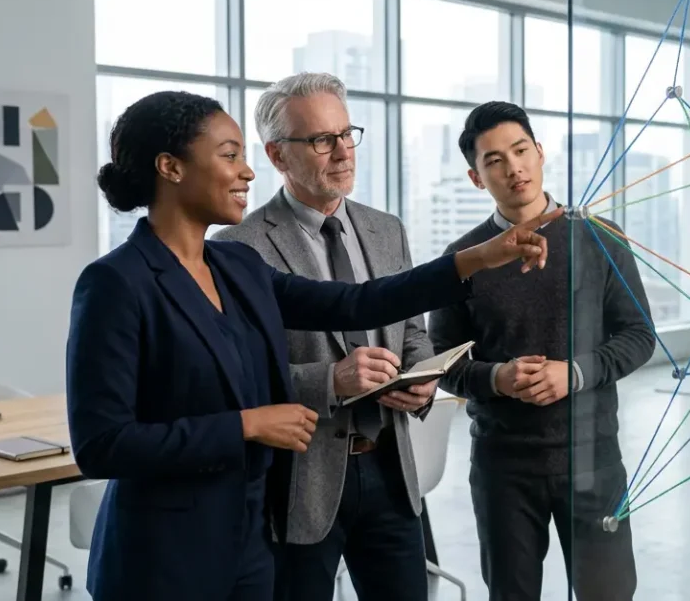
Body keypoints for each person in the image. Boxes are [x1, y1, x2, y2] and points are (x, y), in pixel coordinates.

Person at [66, 90, 562, 601]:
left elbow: (357, 303)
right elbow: (101, 446)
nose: (248, 172)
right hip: (164, 557)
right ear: (170, 167)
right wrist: (250, 424)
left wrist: (477, 258)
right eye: (230, 155)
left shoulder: (237, 269)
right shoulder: (115, 283)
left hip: (248, 546)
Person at [212, 72, 437, 601]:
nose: (342, 152)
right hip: (300, 482)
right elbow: (236, 378)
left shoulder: (388, 229)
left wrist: (421, 379)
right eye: (320, 140)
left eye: (346, 134)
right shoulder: (237, 247)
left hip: (391, 466)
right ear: (276, 155)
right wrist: (329, 381)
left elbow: (412, 333)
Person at [428, 101, 656, 600]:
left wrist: (573, 373)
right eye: (494, 160)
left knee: (609, 594)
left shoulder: (599, 237)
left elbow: (639, 336)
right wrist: (496, 379)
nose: (513, 168)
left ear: (540, 153)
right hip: (503, 465)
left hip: (592, 456)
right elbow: (442, 359)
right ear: (475, 177)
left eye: (520, 150)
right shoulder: (462, 259)